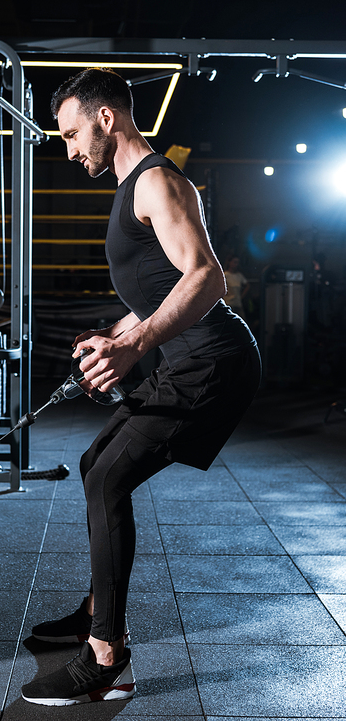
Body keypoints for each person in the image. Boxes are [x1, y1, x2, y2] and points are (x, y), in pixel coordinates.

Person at [21, 68, 261, 707]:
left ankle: (107, 657)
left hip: (212, 364)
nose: (69, 149)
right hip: (184, 359)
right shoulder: (134, 186)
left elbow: (207, 278)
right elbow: (163, 286)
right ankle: (98, 611)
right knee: (96, 462)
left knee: (108, 478)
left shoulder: (156, 181)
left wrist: (134, 345)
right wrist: (116, 332)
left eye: (73, 133)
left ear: (107, 117)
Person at [223, 254, 250, 319]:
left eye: (237, 262)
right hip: (228, 303)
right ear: (229, 262)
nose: (236, 264)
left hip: (238, 303)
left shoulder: (239, 275)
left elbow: (247, 285)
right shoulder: (225, 275)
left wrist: (241, 296)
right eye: (235, 262)